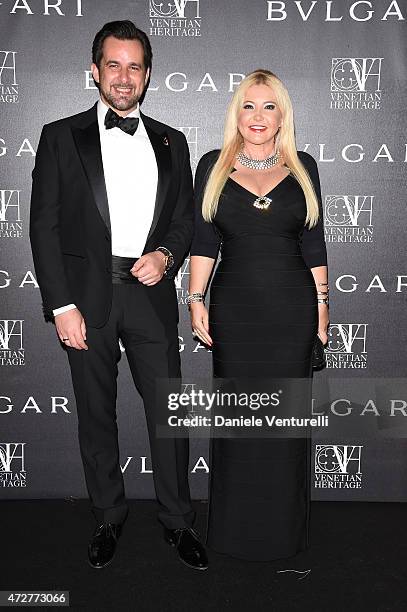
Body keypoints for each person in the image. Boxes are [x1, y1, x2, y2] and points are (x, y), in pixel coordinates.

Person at [30, 20, 207, 571]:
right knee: (95, 416)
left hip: (151, 294)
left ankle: (178, 521)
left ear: (148, 75)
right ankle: (108, 516)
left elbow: (183, 220)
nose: (124, 77)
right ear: (95, 70)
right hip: (85, 300)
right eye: (113, 65)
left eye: (135, 66)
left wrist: (167, 257)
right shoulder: (61, 136)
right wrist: (61, 306)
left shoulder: (173, 141)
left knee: (168, 416)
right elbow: (44, 227)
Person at [189, 69, 329, 562]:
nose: (258, 116)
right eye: (249, 105)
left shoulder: (303, 166)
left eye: (269, 106)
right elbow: (204, 242)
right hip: (236, 311)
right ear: (237, 112)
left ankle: (285, 539)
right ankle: (230, 536)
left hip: (291, 311)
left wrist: (322, 307)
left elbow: (314, 242)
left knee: (285, 425)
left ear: (282, 114)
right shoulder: (213, 165)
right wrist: (195, 299)